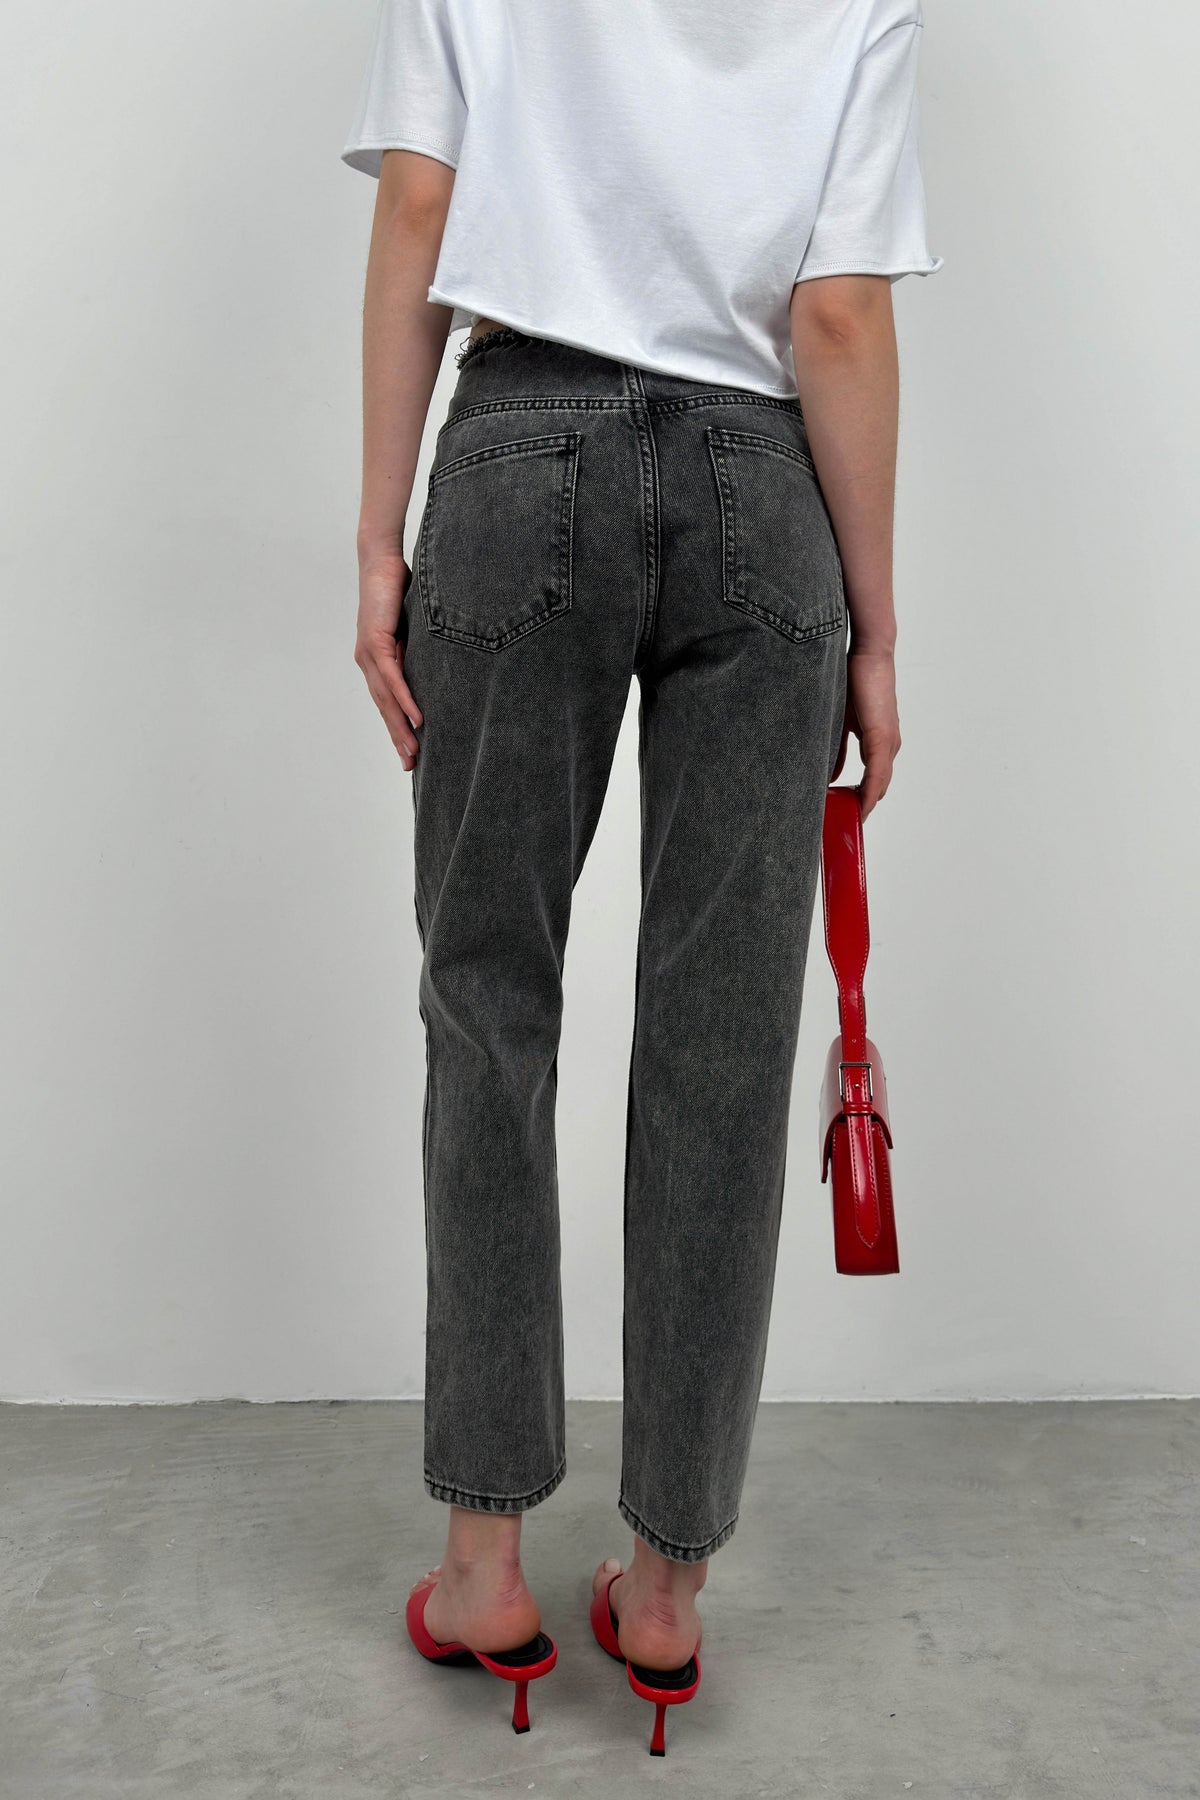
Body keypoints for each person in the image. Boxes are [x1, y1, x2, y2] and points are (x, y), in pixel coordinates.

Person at [342, 0, 942, 1754]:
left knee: (488, 1000)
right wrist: (876, 629)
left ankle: (484, 1565)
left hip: (517, 451)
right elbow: (836, 314)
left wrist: (377, 535)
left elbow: (419, 205)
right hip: (766, 483)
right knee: (722, 1039)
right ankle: (667, 1588)